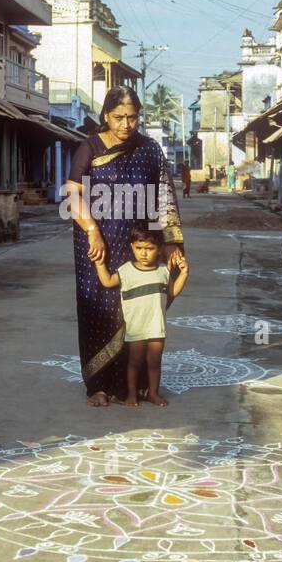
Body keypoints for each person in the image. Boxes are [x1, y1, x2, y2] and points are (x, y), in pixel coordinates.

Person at [66, 87, 186, 407]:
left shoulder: (150, 149)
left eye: (132, 118)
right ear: (106, 115)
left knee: (139, 309)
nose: (125, 124)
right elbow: (73, 195)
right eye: (118, 117)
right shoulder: (89, 148)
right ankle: (99, 385)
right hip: (97, 242)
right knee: (99, 310)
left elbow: (164, 197)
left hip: (139, 242)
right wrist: (92, 231)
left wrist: (171, 243)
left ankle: (137, 384)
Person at [94, 223, 188, 406]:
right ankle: (131, 394)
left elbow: (172, 293)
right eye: (139, 248)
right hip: (136, 329)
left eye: (149, 248)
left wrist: (184, 274)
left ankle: (153, 393)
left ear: (160, 250)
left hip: (156, 328)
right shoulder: (126, 270)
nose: (143, 253)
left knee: (154, 363)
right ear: (132, 247)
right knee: (134, 363)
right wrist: (99, 263)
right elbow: (107, 281)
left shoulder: (163, 271)